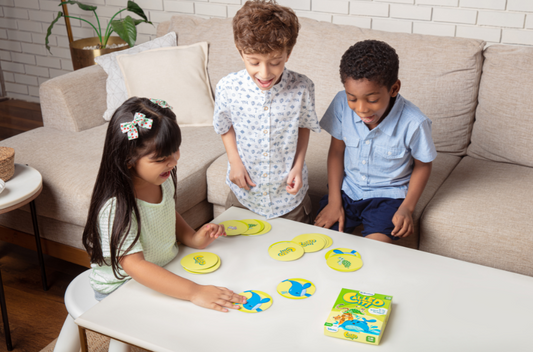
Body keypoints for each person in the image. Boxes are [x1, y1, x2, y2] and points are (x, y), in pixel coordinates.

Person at [82, 97, 246, 312]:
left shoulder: (161, 179)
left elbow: (166, 211)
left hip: (161, 267)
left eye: (175, 150)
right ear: (128, 160)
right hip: (122, 286)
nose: (174, 162)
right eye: (160, 159)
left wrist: (193, 238)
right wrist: (195, 292)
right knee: (195, 310)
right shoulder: (115, 207)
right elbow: (135, 266)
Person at [314, 40, 437, 243]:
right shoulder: (340, 103)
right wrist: (334, 201)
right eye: (352, 98)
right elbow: (337, 152)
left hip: (387, 198)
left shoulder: (414, 122)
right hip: (347, 191)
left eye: (371, 100)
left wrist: (407, 207)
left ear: (394, 88)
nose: (361, 108)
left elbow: (423, 165)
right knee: (320, 241)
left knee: (376, 253)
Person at [213, 0, 320, 222]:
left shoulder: (303, 87)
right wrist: (235, 163)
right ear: (240, 51)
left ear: (288, 53)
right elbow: (224, 126)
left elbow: (304, 127)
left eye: (275, 62)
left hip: (289, 199)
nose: (264, 73)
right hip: (244, 193)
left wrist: (298, 167)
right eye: (254, 62)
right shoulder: (228, 87)